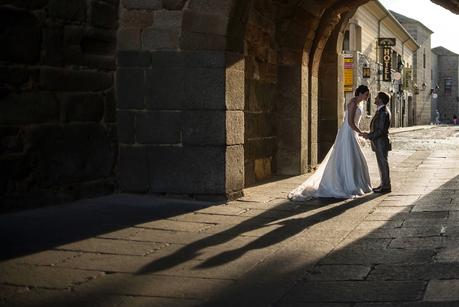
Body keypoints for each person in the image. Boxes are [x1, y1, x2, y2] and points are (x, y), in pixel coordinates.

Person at [288, 85, 372, 201]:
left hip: (351, 132)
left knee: (353, 157)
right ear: (361, 94)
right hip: (348, 132)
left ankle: (354, 182)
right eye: (366, 94)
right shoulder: (353, 103)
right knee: (348, 156)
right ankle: (346, 184)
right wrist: (361, 132)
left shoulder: (358, 103)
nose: (367, 96)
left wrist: (357, 133)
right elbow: (350, 122)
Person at [360, 91, 391, 193]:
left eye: (376, 97)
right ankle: (383, 184)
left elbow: (380, 131)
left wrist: (368, 135)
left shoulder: (383, 112)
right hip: (379, 142)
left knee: (383, 164)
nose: (374, 99)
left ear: (380, 100)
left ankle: (386, 186)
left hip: (381, 142)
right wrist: (369, 133)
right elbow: (377, 128)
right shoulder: (381, 111)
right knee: (382, 164)